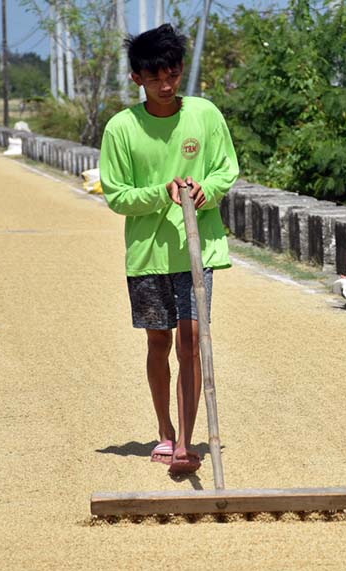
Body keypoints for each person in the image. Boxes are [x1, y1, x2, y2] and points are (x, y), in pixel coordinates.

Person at [99, 24, 239, 475]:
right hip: (148, 254)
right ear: (137, 78)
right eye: (156, 77)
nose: (166, 85)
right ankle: (165, 430)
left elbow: (226, 169)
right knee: (158, 341)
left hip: (198, 251)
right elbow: (117, 195)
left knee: (192, 341)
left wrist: (206, 189)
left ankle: (187, 440)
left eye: (173, 75)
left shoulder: (205, 115)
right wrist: (163, 191)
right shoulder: (122, 128)